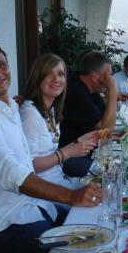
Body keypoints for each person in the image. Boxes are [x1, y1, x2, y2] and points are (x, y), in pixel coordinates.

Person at [0, 44, 102, 253]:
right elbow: (12, 173)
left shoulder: (12, 110)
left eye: (1, 65)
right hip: (6, 224)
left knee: (98, 226)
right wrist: (70, 196)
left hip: (36, 209)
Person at [20, 54, 99, 189]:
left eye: (61, 74)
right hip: (44, 191)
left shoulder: (51, 111)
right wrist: (67, 152)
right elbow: (28, 166)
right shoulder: (30, 113)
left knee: (105, 182)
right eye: (49, 74)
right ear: (38, 78)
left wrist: (78, 142)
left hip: (60, 180)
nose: (56, 79)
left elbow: (50, 151)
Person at [59, 51, 117, 148]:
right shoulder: (74, 91)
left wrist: (111, 95)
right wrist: (113, 91)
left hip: (88, 149)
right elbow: (102, 129)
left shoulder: (92, 90)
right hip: (70, 155)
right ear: (94, 77)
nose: (110, 81)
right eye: (108, 76)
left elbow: (108, 130)